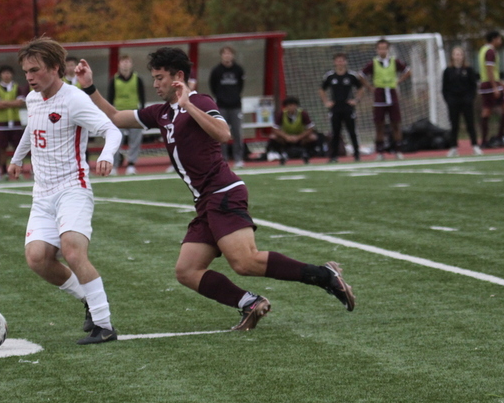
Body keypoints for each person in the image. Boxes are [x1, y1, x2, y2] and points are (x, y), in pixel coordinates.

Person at [78, 47, 355, 331]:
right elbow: (114, 116)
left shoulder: (200, 100)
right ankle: (249, 303)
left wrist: (189, 105)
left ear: (179, 77)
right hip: (205, 201)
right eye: (154, 77)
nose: (156, 83)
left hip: (223, 192)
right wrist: (89, 86)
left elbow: (224, 133)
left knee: (245, 262)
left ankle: (324, 275)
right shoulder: (160, 112)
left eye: (160, 78)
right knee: (186, 271)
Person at [8, 37, 122, 345]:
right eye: (26, 71)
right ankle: (88, 299)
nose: (29, 77)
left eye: (35, 70)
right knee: (37, 259)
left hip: (72, 188)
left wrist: (107, 155)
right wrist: (17, 158)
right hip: (42, 194)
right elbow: (32, 129)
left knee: (72, 251)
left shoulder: (74, 99)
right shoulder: (33, 99)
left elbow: (112, 129)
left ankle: (104, 325)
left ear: (55, 68)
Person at [360, 39, 411, 160]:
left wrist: (398, 81)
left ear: (388, 49)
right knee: (379, 125)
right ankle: (380, 152)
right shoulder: (373, 63)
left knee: (396, 124)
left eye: (384, 48)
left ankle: (398, 150)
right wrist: (369, 87)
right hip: (379, 95)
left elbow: (408, 71)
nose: (382, 51)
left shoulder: (394, 61)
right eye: (380, 48)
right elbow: (361, 75)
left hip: (392, 94)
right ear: (377, 50)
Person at [319, 53, 363, 163]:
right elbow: (321, 89)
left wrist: (356, 100)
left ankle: (357, 154)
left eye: (342, 60)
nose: (340, 63)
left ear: (346, 62)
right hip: (335, 108)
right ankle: (333, 156)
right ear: (334, 62)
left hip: (348, 108)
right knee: (335, 133)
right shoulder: (330, 76)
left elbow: (361, 88)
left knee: (352, 131)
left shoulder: (351, 76)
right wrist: (326, 102)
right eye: (338, 61)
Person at [107, 55, 145, 175]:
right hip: (119, 114)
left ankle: (131, 165)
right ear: (119, 64)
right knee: (116, 141)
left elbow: (142, 97)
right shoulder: (114, 80)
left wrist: (142, 113)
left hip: (134, 113)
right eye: (123, 62)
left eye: (127, 62)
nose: (125, 64)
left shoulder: (137, 79)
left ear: (131, 64)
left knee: (135, 141)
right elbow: (110, 98)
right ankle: (115, 166)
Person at [209, 45, 245, 168]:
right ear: (221, 55)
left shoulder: (238, 70)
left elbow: (241, 85)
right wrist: (221, 98)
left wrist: (234, 97)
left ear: (233, 55)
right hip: (221, 106)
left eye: (229, 53)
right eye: (225, 53)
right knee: (221, 133)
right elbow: (212, 86)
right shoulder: (216, 71)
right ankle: (222, 159)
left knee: (237, 133)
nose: (227, 56)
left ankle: (238, 158)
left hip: (236, 106)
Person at [442, 46, 482, 157]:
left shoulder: (469, 70)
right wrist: (449, 100)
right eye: (455, 54)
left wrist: (470, 99)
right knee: (454, 125)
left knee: (470, 124)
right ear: (452, 56)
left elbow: (473, 86)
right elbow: (445, 88)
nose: (458, 56)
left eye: (460, 54)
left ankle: (475, 145)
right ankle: (453, 147)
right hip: (453, 101)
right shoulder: (447, 71)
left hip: (466, 101)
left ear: (463, 56)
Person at [478, 31, 504, 147]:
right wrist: (495, 87)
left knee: (492, 109)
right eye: (499, 39)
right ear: (494, 39)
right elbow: (489, 69)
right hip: (490, 85)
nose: (500, 41)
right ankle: (495, 138)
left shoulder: (483, 50)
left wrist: (502, 84)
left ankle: (489, 139)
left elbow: (493, 72)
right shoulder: (490, 52)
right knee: (499, 109)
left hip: (488, 84)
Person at [0, 65, 26, 180]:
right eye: (4, 73)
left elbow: (20, 103)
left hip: (15, 123)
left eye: (8, 73)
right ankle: (4, 172)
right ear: (0, 75)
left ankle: (18, 172)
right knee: (2, 150)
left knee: (18, 149)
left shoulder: (18, 87)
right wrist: (12, 102)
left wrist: (4, 103)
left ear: (12, 75)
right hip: (1, 124)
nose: (6, 75)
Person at [267, 96, 317, 165]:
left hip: (300, 138)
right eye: (289, 105)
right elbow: (275, 129)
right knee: (273, 137)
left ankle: (307, 153)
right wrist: (286, 136)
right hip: (286, 138)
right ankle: (281, 153)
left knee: (312, 137)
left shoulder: (303, 113)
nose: (292, 107)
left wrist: (299, 137)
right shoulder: (282, 114)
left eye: (294, 105)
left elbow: (310, 128)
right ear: (286, 107)